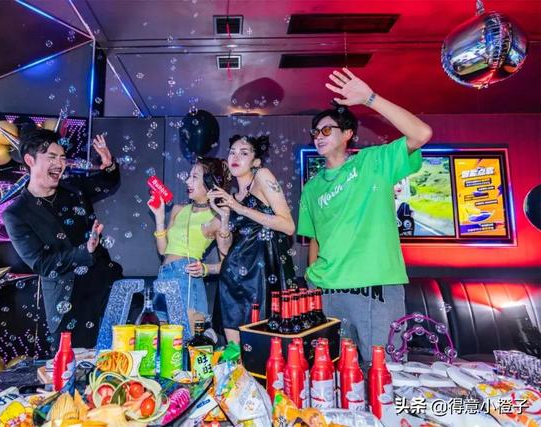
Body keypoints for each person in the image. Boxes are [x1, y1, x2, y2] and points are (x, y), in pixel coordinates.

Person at [298, 68, 432, 362]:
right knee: (333, 373)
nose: (318, 136)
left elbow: (421, 134)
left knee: (385, 372)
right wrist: (311, 281)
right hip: (327, 290)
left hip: (374, 287)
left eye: (327, 130)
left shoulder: (374, 162)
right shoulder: (311, 187)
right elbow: (314, 239)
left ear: (348, 134)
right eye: (315, 132)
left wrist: (370, 98)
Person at [2, 129, 123, 352]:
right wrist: (85, 251)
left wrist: (109, 164)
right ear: (30, 160)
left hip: (106, 286)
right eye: (51, 157)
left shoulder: (73, 189)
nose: (60, 164)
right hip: (67, 300)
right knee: (73, 364)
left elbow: (106, 181)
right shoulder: (16, 213)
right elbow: (41, 263)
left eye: (62, 157)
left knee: (119, 354)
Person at [208, 135, 296, 344]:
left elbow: (288, 226)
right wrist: (225, 216)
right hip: (233, 277)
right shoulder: (232, 197)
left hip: (263, 277)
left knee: (264, 348)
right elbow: (225, 250)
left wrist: (240, 209)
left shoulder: (262, 176)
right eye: (232, 152)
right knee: (235, 352)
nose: (235, 156)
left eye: (244, 152)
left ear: (256, 161)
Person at [147, 158, 232, 336]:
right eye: (188, 176)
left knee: (187, 338)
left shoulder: (217, 218)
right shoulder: (178, 209)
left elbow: (227, 264)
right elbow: (163, 251)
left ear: (209, 183)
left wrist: (205, 269)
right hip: (163, 275)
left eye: (194, 177)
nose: (187, 181)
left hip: (186, 277)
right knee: (160, 338)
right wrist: (159, 217)